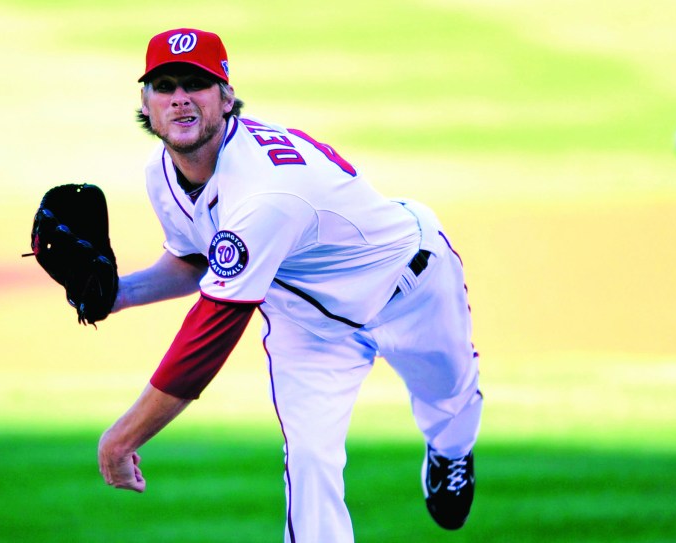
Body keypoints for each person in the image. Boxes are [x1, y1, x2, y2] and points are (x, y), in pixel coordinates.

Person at [97, 27, 483, 542]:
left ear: (226, 97)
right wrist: (116, 294)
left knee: (449, 398)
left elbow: (207, 338)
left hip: (411, 286)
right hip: (310, 329)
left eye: (197, 83)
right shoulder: (161, 172)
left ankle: (451, 452)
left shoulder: (265, 191)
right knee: (309, 464)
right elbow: (194, 262)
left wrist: (123, 437)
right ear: (146, 101)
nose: (180, 98)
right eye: (165, 85)